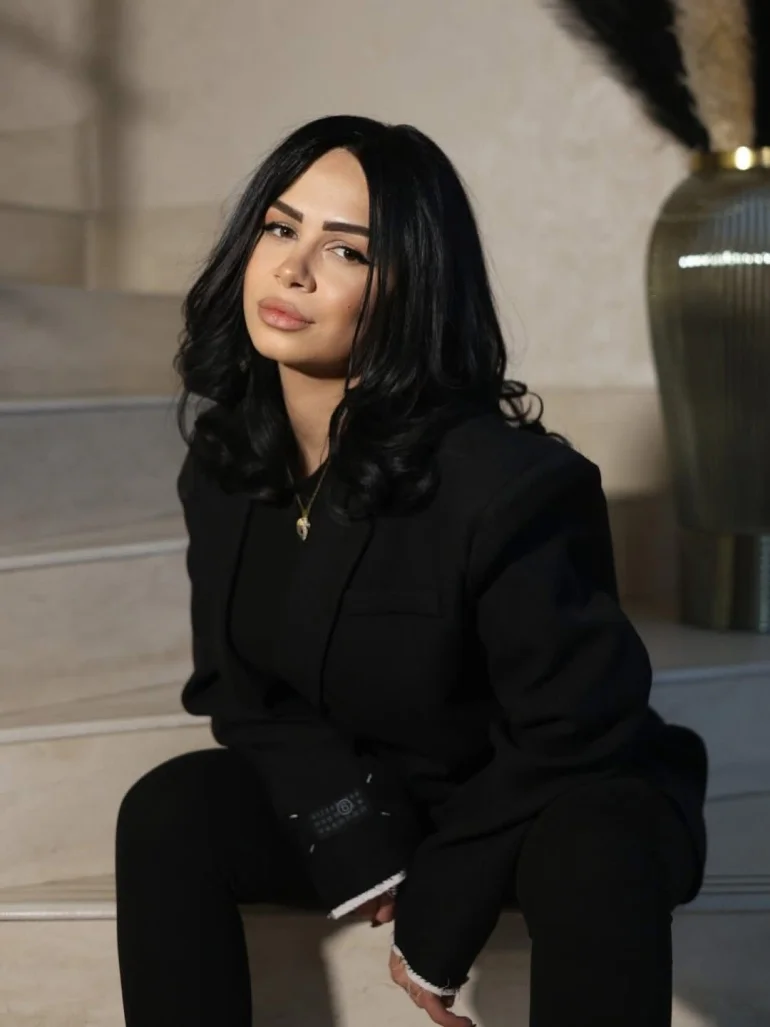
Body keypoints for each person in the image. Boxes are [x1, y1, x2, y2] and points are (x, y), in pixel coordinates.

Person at [114, 114, 708, 1027]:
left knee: (600, 845)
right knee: (169, 810)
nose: (293, 270)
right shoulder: (228, 464)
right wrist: (356, 837)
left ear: (411, 288)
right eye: (279, 228)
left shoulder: (509, 484)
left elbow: (577, 728)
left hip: (538, 793)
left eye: (346, 250)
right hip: (387, 794)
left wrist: (440, 908)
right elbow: (240, 696)